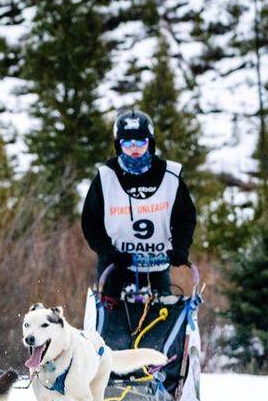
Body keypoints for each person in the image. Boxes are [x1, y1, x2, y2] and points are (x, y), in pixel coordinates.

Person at [81, 110, 197, 298]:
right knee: (111, 325)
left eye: (140, 142)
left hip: (157, 267)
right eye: (127, 143)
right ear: (118, 145)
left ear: (150, 143)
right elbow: (90, 223)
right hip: (115, 268)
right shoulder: (105, 177)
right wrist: (108, 252)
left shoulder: (170, 175)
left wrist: (180, 248)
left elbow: (186, 217)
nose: (134, 148)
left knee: (159, 321)